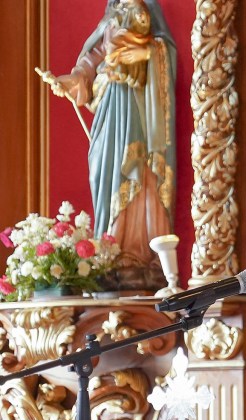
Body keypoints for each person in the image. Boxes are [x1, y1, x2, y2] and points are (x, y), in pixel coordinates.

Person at [48, 0, 176, 279]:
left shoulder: (146, 11)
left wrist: (145, 53)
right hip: (108, 105)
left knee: (135, 166)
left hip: (137, 108)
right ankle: (108, 250)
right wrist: (71, 80)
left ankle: (137, 252)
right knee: (103, 170)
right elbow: (92, 60)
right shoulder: (111, 16)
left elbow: (165, 52)